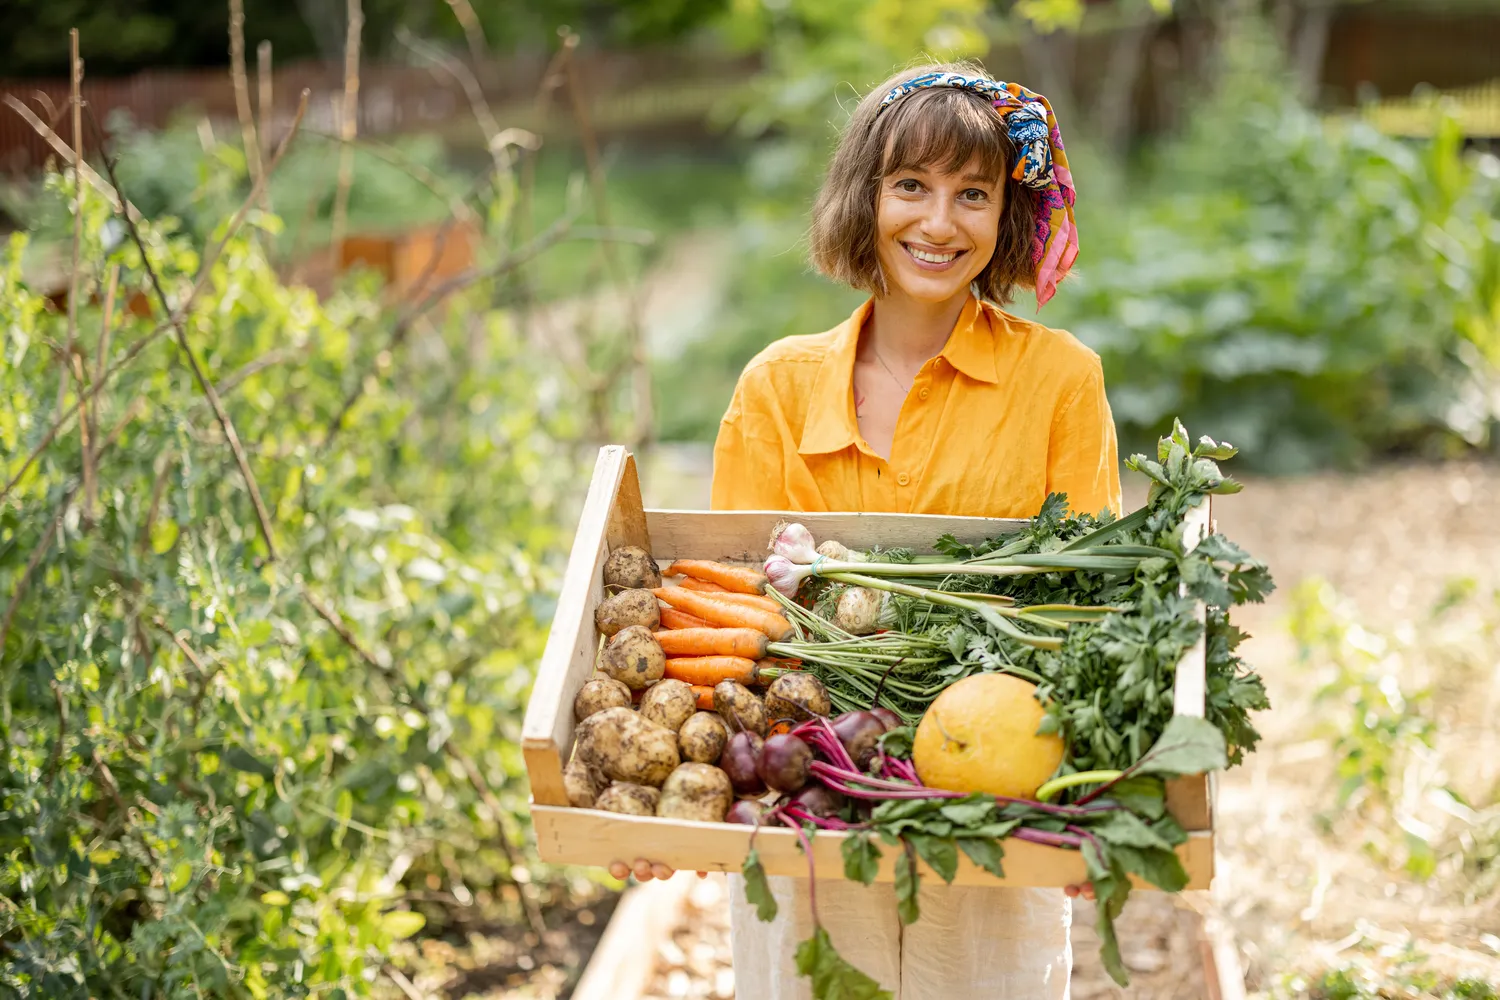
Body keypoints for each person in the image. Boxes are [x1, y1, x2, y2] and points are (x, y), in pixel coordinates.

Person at [612, 61, 1119, 998]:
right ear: (865, 197)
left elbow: (1090, 615)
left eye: (974, 193)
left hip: (990, 792)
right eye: (911, 186)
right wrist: (661, 807)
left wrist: (1095, 799)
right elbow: (728, 627)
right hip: (815, 787)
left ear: (1007, 213)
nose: (938, 223)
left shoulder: (1061, 382)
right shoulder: (778, 386)